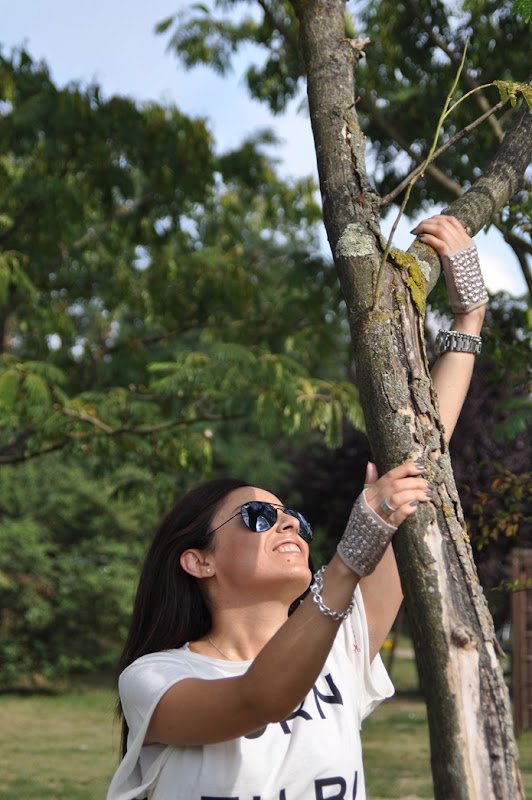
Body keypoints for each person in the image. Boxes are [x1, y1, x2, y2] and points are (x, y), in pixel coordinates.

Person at [106, 215, 487, 800]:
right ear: (199, 561)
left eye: (293, 517)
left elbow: (419, 465)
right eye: (258, 517)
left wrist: (469, 318)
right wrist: (349, 557)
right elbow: (259, 699)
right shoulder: (156, 678)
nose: (287, 522)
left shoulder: (343, 643)